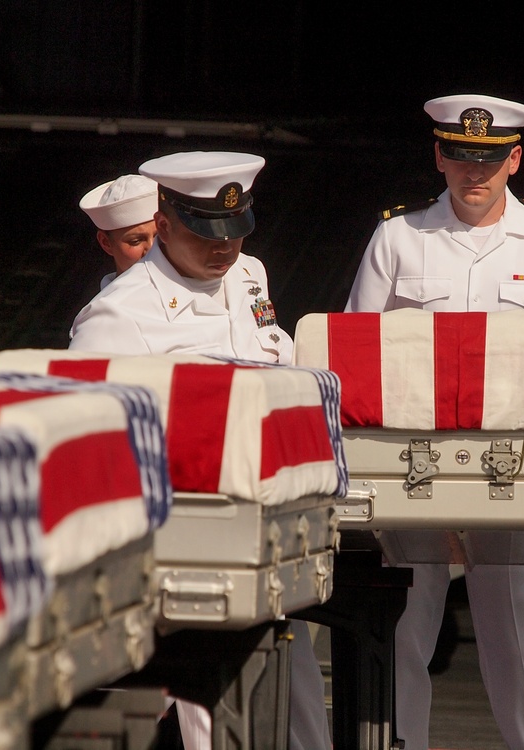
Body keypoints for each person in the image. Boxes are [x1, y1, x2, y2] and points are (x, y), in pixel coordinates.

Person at [346, 93, 524, 750]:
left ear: (515, 159)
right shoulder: (397, 238)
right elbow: (354, 351)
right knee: (402, 628)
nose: (475, 174)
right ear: (439, 156)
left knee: (522, 633)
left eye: (490, 159)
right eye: (461, 157)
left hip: (514, 465)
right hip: (412, 463)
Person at [69, 151, 328, 750]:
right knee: (213, 712)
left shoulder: (249, 276)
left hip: (267, 526)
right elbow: (95, 442)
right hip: (184, 539)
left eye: (236, 231)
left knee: (296, 694)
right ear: (163, 226)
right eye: (208, 232)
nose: (225, 248)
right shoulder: (116, 317)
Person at [79, 174, 159, 289]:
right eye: (136, 241)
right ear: (106, 243)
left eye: (160, 235)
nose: (152, 248)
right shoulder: (106, 306)